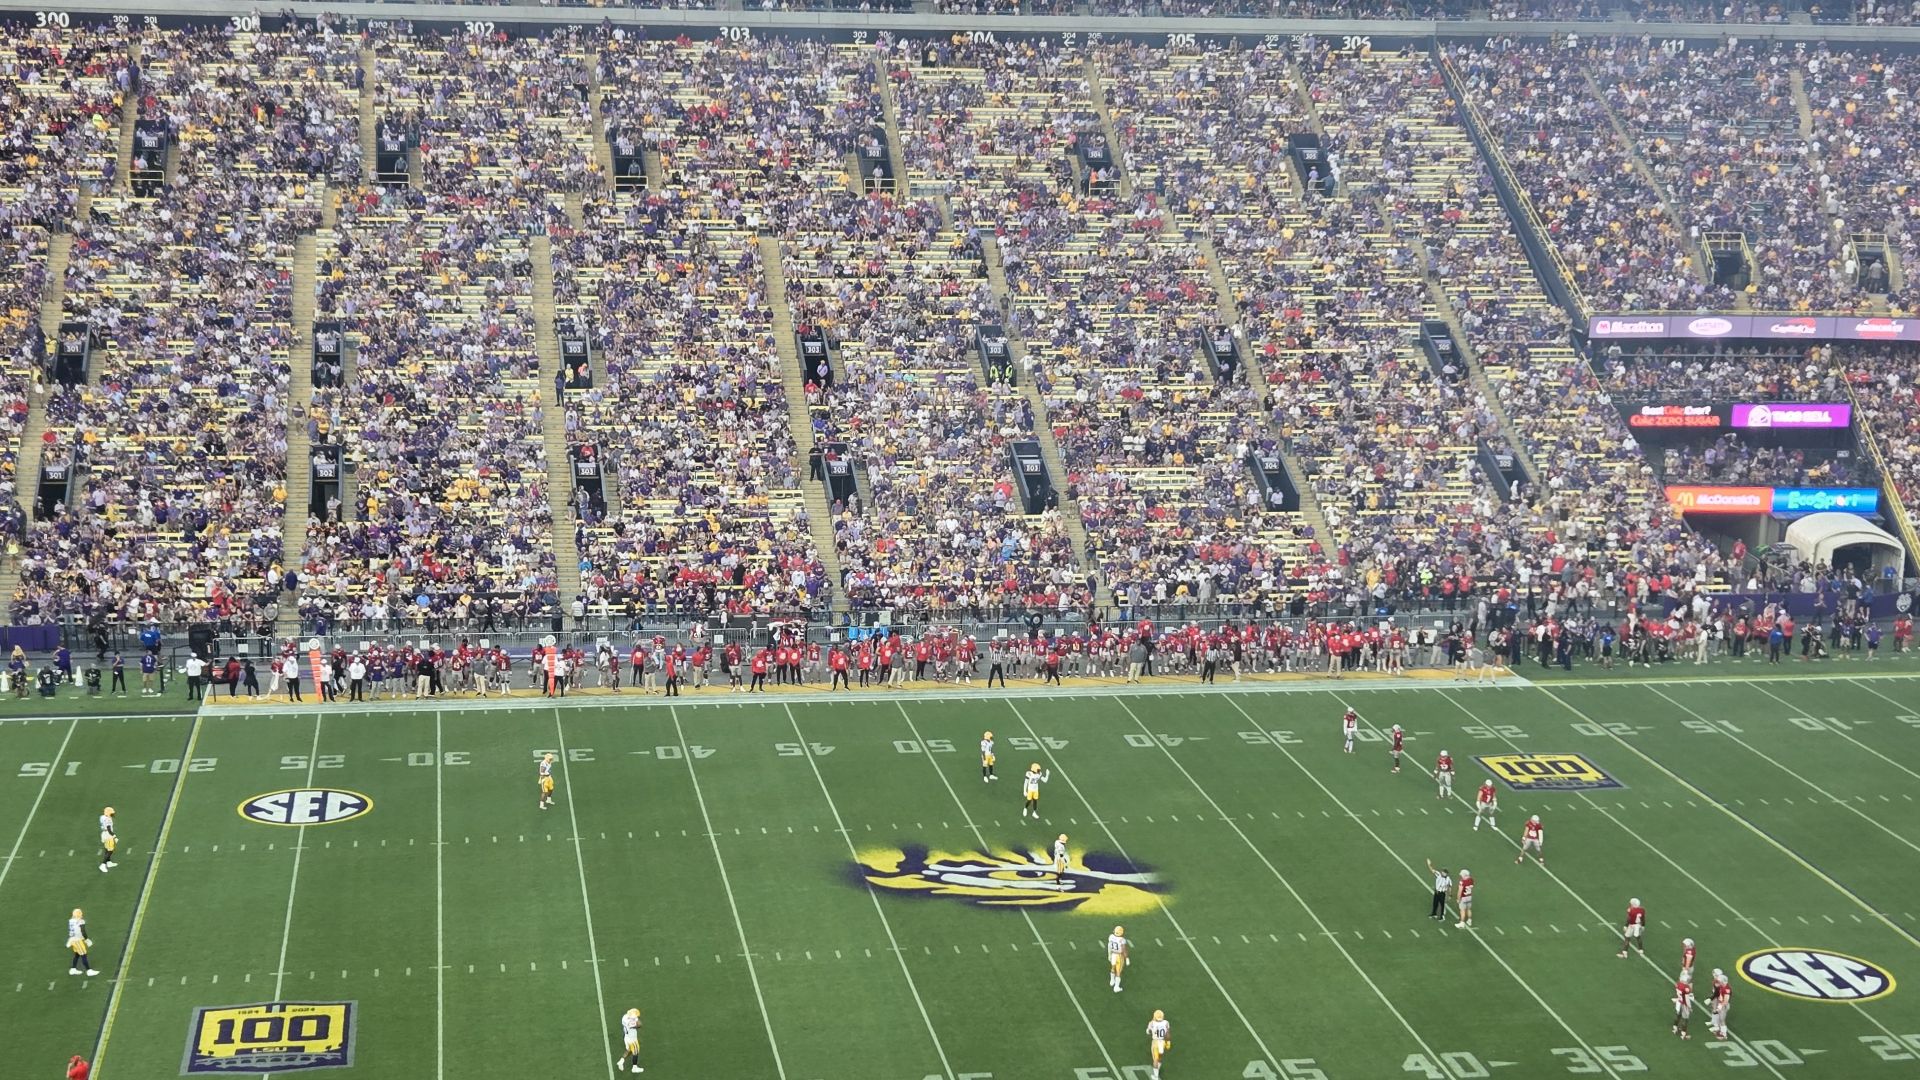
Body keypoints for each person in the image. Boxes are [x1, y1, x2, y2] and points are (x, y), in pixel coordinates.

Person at [67, 908, 96, 976]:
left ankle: (73, 969)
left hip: (72, 940)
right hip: (77, 940)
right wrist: (86, 939)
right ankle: (89, 971)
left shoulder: (71, 921)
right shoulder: (80, 921)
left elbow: (74, 931)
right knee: (83, 955)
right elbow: (83, 931)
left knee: (77, 954)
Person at [614, 1006, 643, 1074]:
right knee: (635, 1053)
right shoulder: (631, 1023)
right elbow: (640, 1025)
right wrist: (636, 1019)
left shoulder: (624, 1017)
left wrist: (634, 1017)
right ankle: (634, 1068)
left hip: (626, 1037)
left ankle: (621, 1060)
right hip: (632, 1039)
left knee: (629, 1050)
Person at [1146, 1009, 1171, 1080]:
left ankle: (1156, 1076)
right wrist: (1168, 1042)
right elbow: (1168, 1034)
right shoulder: (1166, 1023)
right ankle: (1157, 1069)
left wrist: (1151, 1030)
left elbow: (1148, 1032)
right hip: (1163, 1042)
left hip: (1156, 1042)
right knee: (1160, 1057)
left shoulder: (1152, 1023)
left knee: (1155, 1059)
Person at [1707, 969, 1731, 1040]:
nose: (1718, 981)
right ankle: (1720, 1031)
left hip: (1723, 1005)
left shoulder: (1726, 989)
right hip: (1721, 1003)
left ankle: (1724, 1034)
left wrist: (1720, 1006)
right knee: (1720, 1019)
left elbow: (1726, 1001)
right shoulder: (1722, 987)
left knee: (1722, 1020)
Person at [1107, 925, 1130, 993]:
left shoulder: (1111, 936)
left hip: (1113, 954)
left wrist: (1109, 955)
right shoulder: (1122, 940)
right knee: (1118, 971)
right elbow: (1123, 950)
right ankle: (1116, 987)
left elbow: (1109, 946)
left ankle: (1112, 981)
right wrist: (1127, 958)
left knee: (1112, 968)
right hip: (1119, 956)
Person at [98, 807, 116, 873]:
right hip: (108, 835)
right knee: (110, 850)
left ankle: (108, 862)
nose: (113, 814)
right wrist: (114, 835)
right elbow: (108, 828)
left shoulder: (102, 817)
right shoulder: (108, 819)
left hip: (104, 834)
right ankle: (103, 865)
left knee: (107, 849)